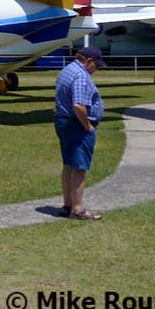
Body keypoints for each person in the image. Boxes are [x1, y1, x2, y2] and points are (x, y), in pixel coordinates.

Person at [54, 46, 107, 220]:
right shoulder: (81, 76)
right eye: (96, 66)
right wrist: (87, 126)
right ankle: (77, 209)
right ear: (89, 61)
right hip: (76, 125)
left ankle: (67, 205)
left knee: (69, 164)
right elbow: (78, 105)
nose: (96, 70)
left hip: (64, 121)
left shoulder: (68, 70)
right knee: (79, 167)